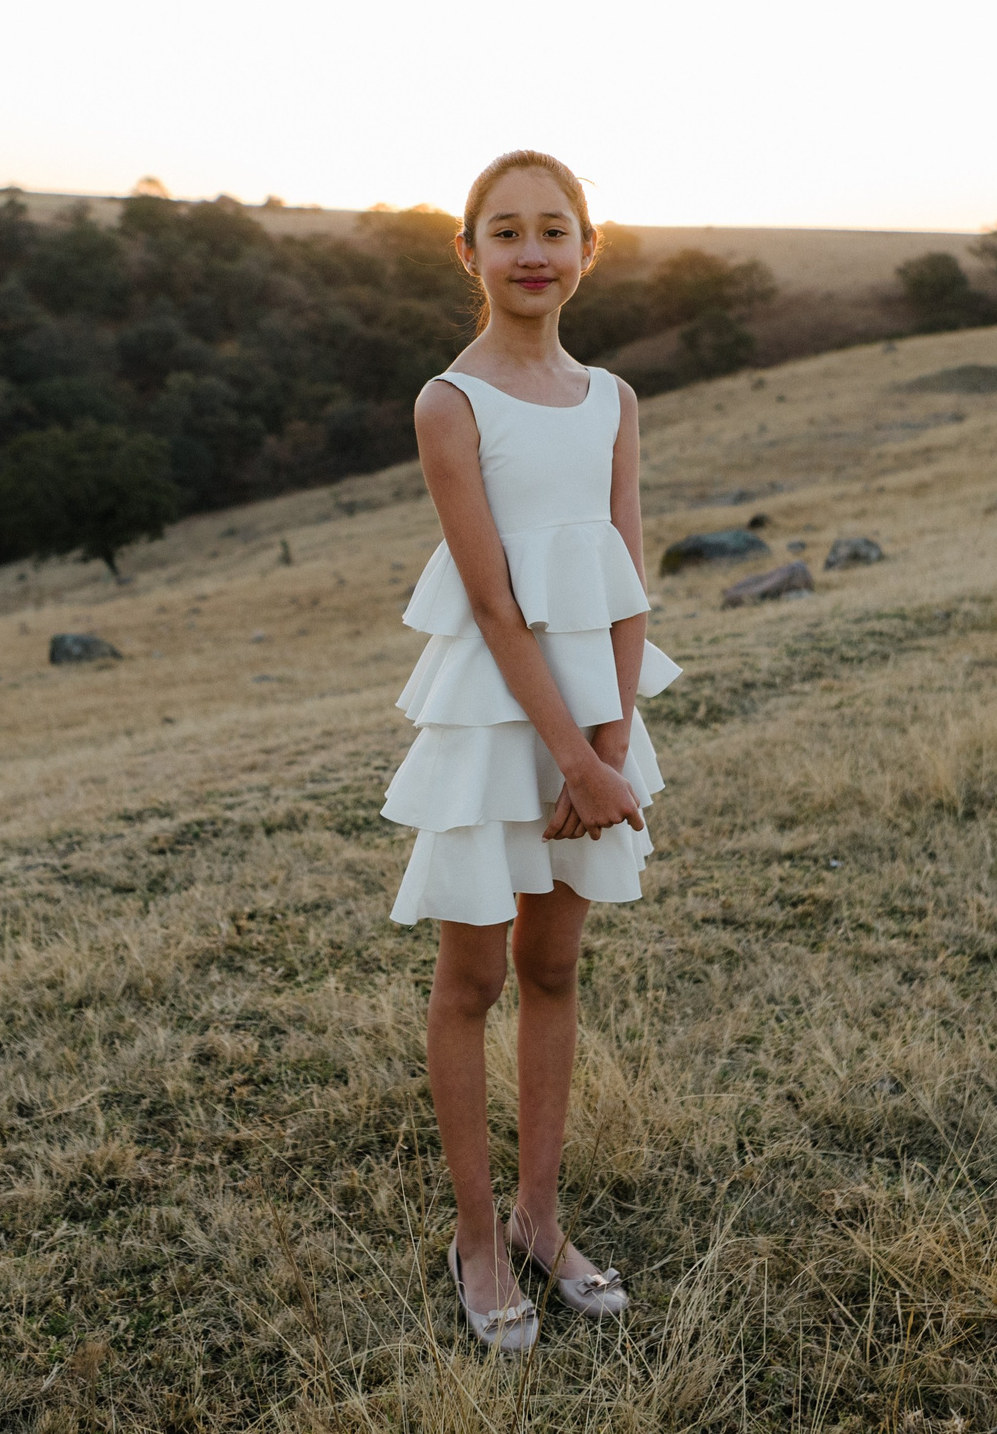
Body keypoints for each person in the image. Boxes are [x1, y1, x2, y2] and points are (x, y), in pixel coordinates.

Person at [381, 149, 682, 1352]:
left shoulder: (612, 396)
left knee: (555, 971)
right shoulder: (448, 403)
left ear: (588, 248)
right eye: (504, 231)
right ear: (470, 254)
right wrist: (566, 752)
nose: (532, 251)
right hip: (497, 718)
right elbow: (496, 603)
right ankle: (472, 1235)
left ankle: (541, 1219)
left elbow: (624, 571)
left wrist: (608, 747)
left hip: (595, 720)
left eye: (554, 228)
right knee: (475, 979)